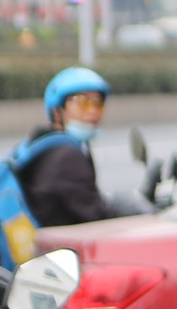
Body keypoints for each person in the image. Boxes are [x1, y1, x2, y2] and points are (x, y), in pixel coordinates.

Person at [18, 67, 116, 228]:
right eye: (82, 102)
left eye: (98, 103)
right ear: (57, 111)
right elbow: (96, 216)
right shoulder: (66, 156)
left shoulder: (41, 146)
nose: (92, 111)